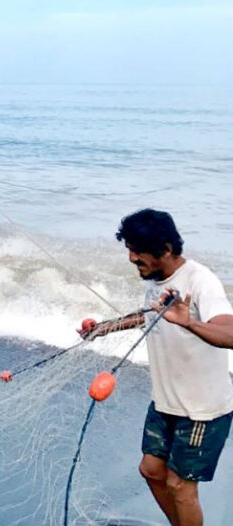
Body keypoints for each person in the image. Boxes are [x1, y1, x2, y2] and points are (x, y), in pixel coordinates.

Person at [79, 209, 233, 526]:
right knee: (151, 471)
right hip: (166, 403)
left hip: (202, 409)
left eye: (137, 251)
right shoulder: (156, 279)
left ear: (164, 249)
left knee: (179, 486)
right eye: (130, 249)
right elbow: (150, 316)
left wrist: (188, 322)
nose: (132, 257)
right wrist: (105, 328)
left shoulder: (201, 282)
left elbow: (230, 334)